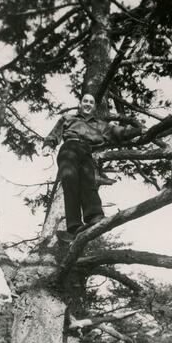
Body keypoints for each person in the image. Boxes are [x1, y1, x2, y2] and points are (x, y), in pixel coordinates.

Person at [42, 93, 142, 242]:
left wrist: (138, 129)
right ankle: (74, 226)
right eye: (85, 101)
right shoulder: (68, 118)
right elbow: (55, 133)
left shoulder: (101, 125)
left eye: (91, 102)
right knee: (70, 182)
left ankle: (94, 217)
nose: (88, 104)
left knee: (89, 183)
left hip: (87, 152)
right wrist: (49, 145)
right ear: (80, 104)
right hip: (69, 147)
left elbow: (119, 132)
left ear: (94, 106)